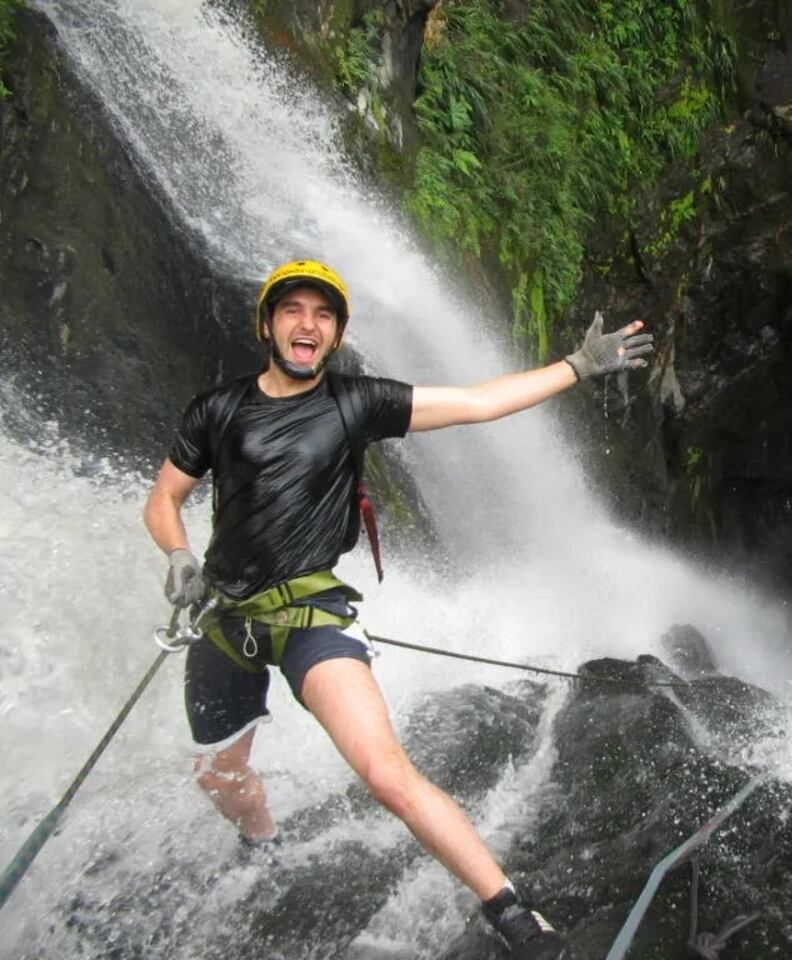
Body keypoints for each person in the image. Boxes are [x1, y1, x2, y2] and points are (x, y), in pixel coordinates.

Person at [142, 259, 652, 960]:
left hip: (310, 616)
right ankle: (261, 842)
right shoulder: (218, 409)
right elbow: (164, 497)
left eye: (322, 315)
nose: (307, 324)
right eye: (292, 310)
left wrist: (576, 365)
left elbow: (476, 403)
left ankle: (513, 915)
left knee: (385, 774)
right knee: (219, 777)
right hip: (224, 621)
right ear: (268, 324)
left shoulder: (356, 403)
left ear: (336, 335)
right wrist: (177, 556)